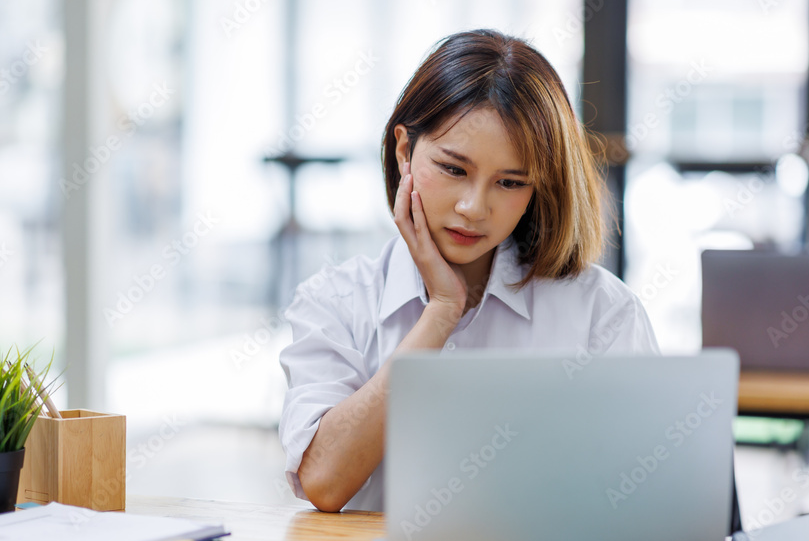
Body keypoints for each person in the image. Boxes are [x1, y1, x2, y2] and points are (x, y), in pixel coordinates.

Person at [278, 29, 660, 513]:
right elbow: (325, 482)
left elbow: (646, 498)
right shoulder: (336, 300)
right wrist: (441, 312)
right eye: (454, 169)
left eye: (510, 182)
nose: (473, 207)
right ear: (404, 152)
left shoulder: (600, 311)